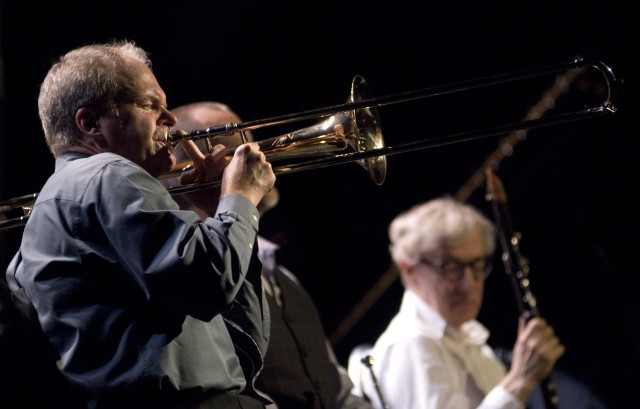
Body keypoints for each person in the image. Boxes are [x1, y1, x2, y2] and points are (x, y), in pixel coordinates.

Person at [4, 40, 275, 409]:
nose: (171, 120)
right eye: (150, 105)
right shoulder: (106, 173)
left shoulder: (71, 194)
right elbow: (209, 284)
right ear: (89, 123)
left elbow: (242, 344)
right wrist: (241, 197)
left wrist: (217, 213)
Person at [169, 101, 373, 409]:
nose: (258, 155)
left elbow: (335, 386)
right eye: (237, 146)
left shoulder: (284, 277)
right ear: (193, 167)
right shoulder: (195, 275)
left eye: (251, 139)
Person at [358, 197, 565, 409]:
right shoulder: (409, 345)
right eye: (451, 268)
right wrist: (519, 381)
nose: (469, 285)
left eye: (476, 265)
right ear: (409, 270)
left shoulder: (467, 335)